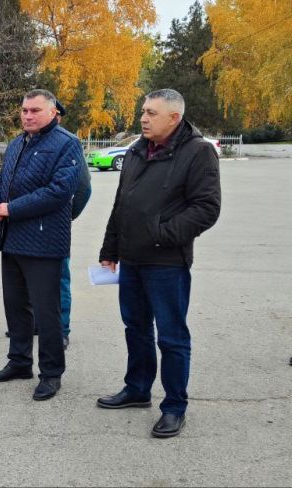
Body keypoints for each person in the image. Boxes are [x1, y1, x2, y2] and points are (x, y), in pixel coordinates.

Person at [96, 88, 221, 438]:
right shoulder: (137, 149)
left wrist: (161, 234)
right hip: (132, 260)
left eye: (151, 113)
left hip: (167, 262)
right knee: (135, 328)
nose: (143, 118)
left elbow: (207, 208)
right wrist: (110, 247)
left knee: (171, 337)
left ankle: (174, 406)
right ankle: (137, 389)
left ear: (174, 118)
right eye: (143, 111)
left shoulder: (198, 153)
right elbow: (122, 204)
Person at [0, 89, 81, 401]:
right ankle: (19, 361)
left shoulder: (67, 144)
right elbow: (0, 181)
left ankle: (51, 373)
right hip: (11, 239)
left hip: (44, 241)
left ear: (53, 112)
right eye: (25, 110)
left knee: (46, 312)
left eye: (35, 110)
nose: (28, 116)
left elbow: (59, 191)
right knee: (15, 306)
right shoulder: (17, 143)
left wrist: (11, 209)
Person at [57, 100, 92, 350]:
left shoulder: (69, 143)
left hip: (55, 225)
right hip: (25, 225)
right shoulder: (24, 142)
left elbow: (83, 187)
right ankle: (35, 322)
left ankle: (61, 328)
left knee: (59, 277)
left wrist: (67, 215)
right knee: (27, 279)